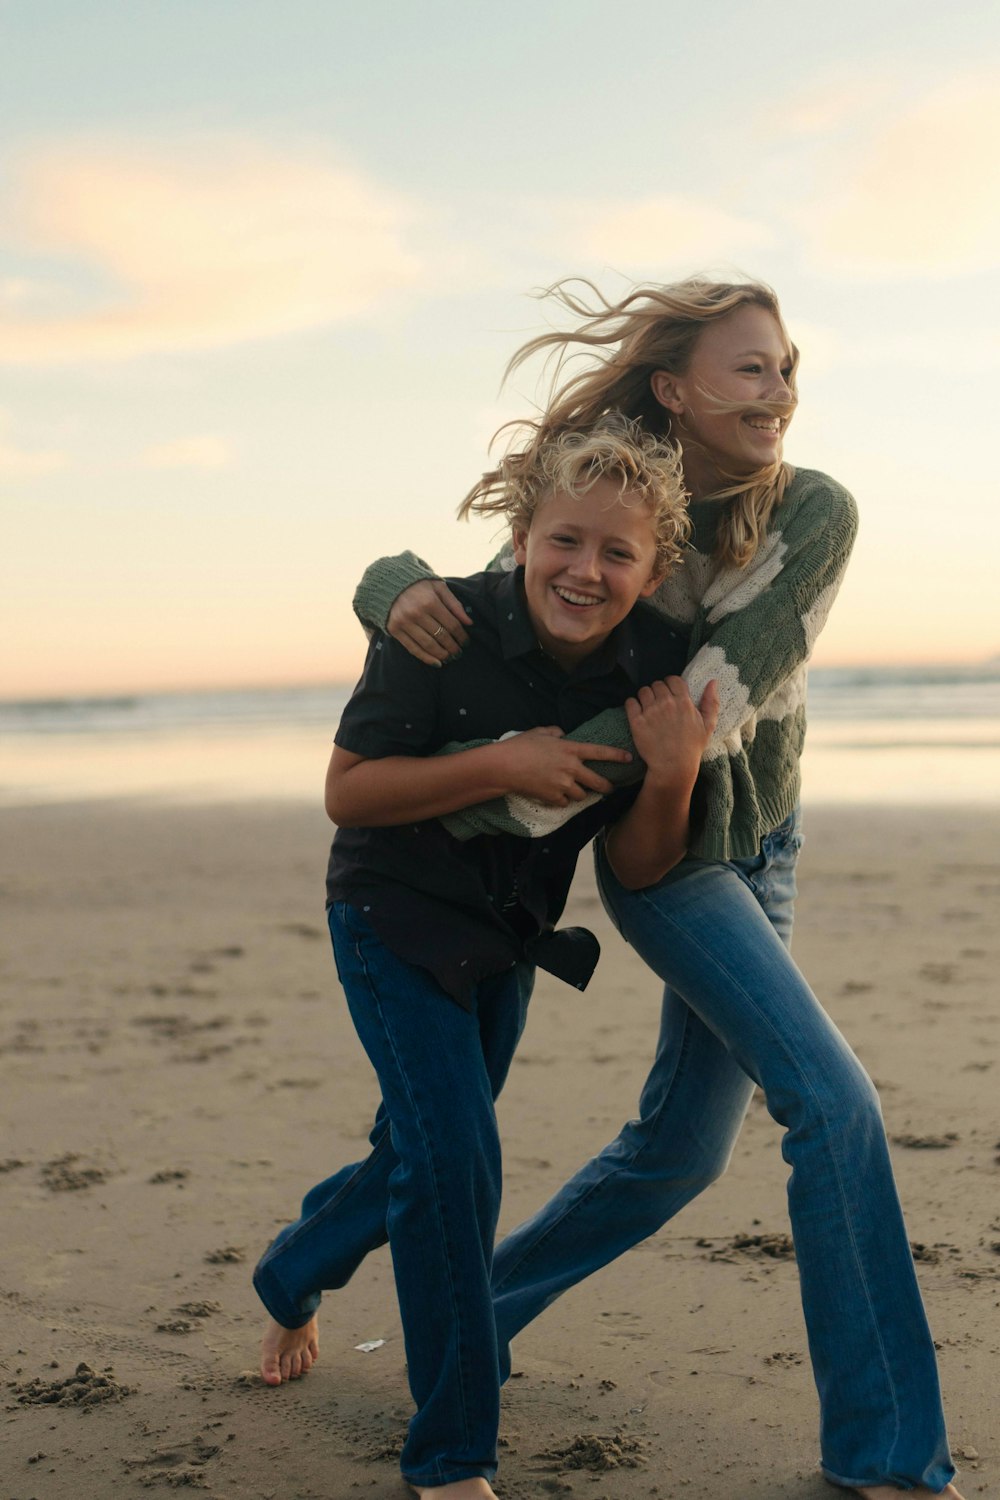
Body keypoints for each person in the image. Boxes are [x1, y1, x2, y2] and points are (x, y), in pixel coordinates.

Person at [352, 277, 964, 1499]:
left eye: (787, 369)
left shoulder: (814, 515)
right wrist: (386, 584)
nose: (779, 393)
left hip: (761, 843)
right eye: (750, 370)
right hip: (662, 855)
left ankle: (478, 1327)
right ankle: (889, 1459)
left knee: (678, 1154)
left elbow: (708, 707)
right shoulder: (607, 510)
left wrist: (511, 789)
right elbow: (490, 614)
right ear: (676, 389)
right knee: (833, 1107)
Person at [253, 418, 720, 1500]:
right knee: (458, 1162)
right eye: (565, 540)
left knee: (417, 1156)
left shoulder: (654, 662)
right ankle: (452, 1458)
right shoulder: (438, 625)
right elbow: (348, 792)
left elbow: (642, 866)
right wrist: (501, 762)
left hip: (510, 939)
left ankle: (290, 1269)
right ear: (523, 536)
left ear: (653, 572)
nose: (585, 570)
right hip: (390, 913)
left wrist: (672, 775)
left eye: (617, 554)